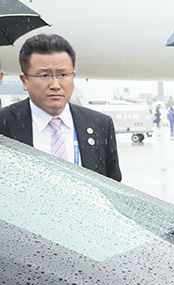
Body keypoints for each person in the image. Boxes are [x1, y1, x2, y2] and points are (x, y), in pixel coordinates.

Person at [0, 33, 122, 181]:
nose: (55, 85)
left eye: (63, 75)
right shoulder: (4, 123)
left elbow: (114, 186)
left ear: (73, 76)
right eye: (44, 76)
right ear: (24, 80)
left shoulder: (100, 124)